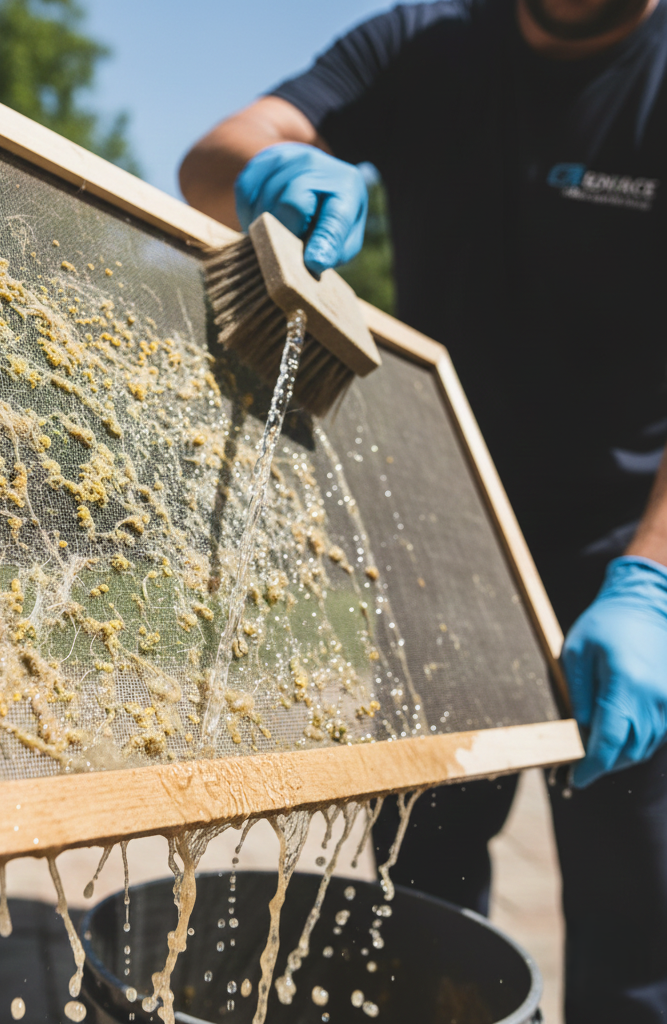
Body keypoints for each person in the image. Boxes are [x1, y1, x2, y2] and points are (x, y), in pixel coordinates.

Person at [180, 0, 667, 1020]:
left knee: (641, 921)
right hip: (441, 539)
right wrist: (269, 172)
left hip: (629, 556)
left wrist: (651, 582)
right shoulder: (423, 41)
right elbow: (213, 157)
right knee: (423, 896)